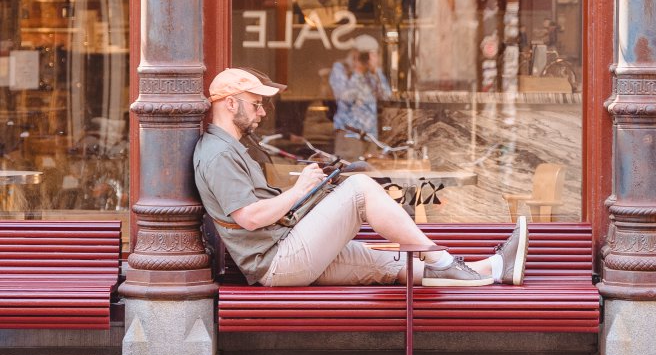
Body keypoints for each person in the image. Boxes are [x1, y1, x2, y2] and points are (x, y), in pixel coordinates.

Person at [194, 68, 528, 289]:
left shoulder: (229, 149)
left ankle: (494, 269)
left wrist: (315, 191)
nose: (262, 112)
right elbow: (250, 218)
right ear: (229, 103)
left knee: (392, 261)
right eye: (256, 104)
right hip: (279, 261)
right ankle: (441, 258)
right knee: (360, 188)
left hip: (284, 252)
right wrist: (300, 190)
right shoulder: (219, 154)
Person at [328, 34, 391, 160]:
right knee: (349, 171)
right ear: (354, 53)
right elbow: (343, 96)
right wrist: (358, 72)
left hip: (371, 134)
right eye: (364, 54)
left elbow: (386, 97)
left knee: (372, 173)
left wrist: (375, 72)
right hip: (349, 133)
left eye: (372, 54)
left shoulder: (374, 73)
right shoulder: (341, 68)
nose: (366, 58)